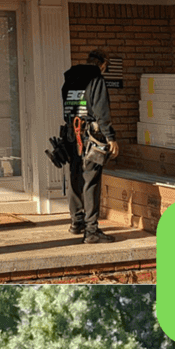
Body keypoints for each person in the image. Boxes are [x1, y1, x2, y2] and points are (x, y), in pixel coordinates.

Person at [60, 48, 119, 243]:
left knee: (75, 177)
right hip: (90, 137)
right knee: (91, 181)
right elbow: (102, 110)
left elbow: (67, 105)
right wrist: (110, 137)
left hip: (71, 135)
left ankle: (77, 222)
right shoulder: (96, 79)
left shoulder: (70, 78)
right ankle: (92, 230)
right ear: (102, 64)